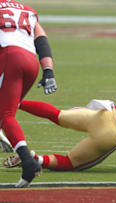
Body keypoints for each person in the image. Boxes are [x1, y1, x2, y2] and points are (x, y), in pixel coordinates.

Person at [0, 0, 57, 187]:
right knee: (7, 110)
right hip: (30, 61)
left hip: (9, 57)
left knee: (6, 114)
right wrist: (48, 71)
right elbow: (42, 41)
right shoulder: (27, 10)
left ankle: (27, 162)